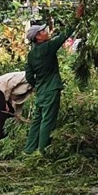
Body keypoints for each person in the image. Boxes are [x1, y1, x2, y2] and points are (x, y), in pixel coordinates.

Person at [23, 23, 73, 154]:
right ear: (38, 37)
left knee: (37, 120)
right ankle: (43, 151)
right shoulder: (48, 47)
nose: (46, 32)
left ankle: (29, 149)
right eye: (43, 31)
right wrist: (76, 18)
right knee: (47, 121)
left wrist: (36, 85)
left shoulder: (31, 54)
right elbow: (64, 35)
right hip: (51, 89)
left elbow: (28, 75)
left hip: (41, 91)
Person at [0, 71, 32, 140]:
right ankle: (2, 140)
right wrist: (5, 101)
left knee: (10, 116)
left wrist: (18, 116)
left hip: (6, 93)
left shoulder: (31, 87)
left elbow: (18, 102)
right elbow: (10, 85)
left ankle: (9, 139)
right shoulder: (28, 76)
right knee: (3, 114)